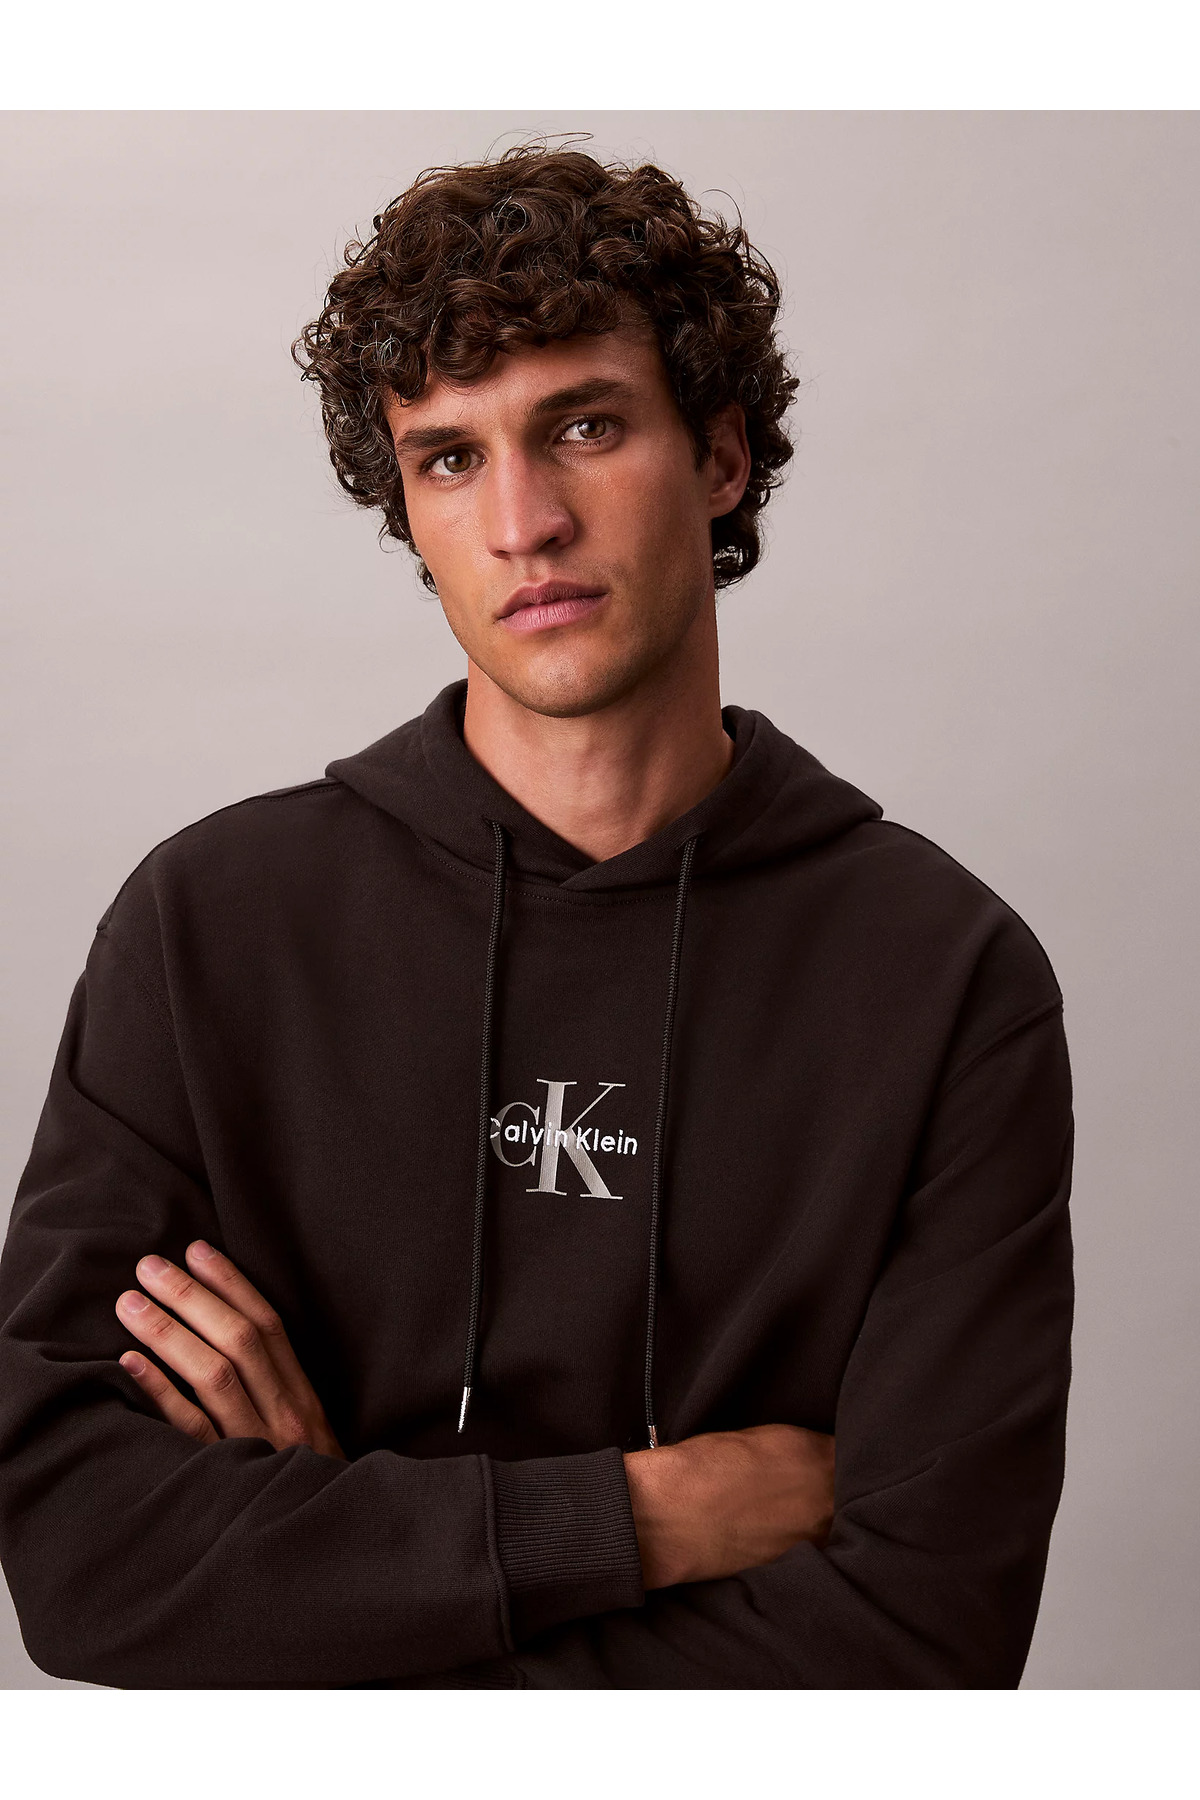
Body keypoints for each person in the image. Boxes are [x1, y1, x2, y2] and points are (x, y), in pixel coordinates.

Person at [0, 145, 1073, 1689]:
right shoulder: (207, 929)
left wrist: (336, 1580)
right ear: (406, 507)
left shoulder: (947, 975)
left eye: (585, 426)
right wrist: (640, 1518)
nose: (523, 522)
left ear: (719, 454)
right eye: (449, 458)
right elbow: (80, 1556)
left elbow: (924, 1641)